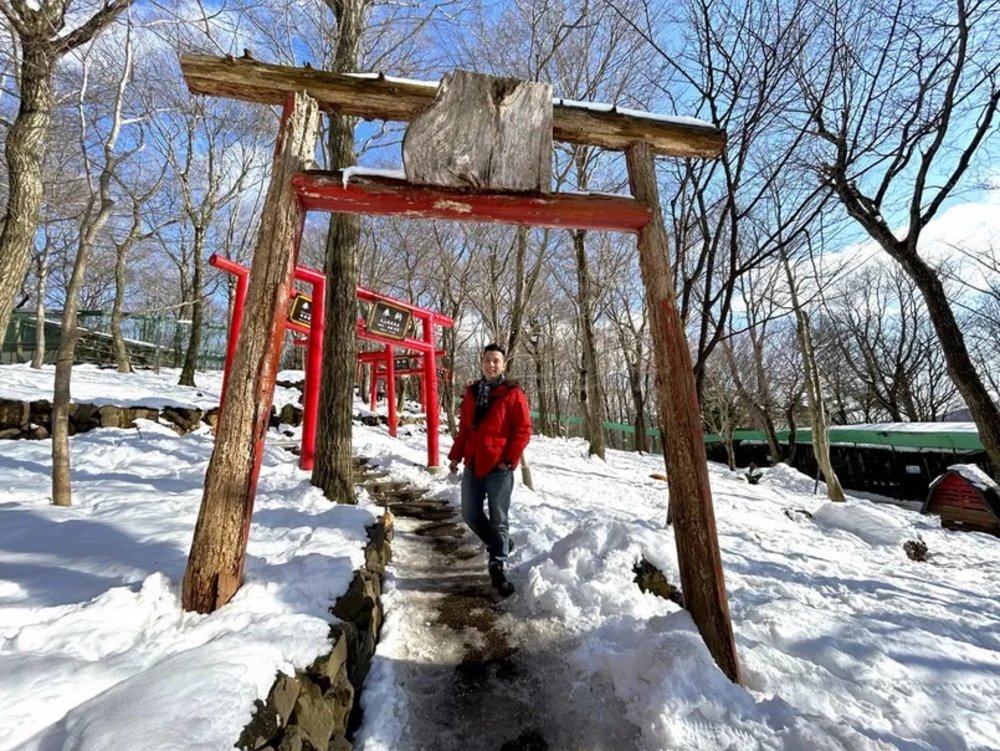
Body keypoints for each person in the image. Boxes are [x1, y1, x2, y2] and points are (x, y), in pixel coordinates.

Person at [448, 343, 531, 597]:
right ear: (481, 362)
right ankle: (501, 544)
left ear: (503, 364)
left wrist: (509, 460)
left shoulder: (513, 393)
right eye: (487, 360)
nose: (491, 364)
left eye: (496, 360)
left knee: (499, 519)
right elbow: (465, 428)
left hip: (498, 466)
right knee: (470, 514)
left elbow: (523, 430)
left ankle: (497, 566)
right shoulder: (472, 392)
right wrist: (455, 456)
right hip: (473, 463)